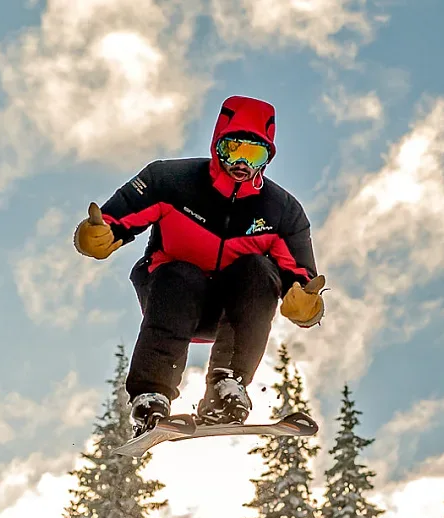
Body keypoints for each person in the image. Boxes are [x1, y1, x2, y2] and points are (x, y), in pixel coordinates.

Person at [72, 95, 326, 435]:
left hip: (230, 313)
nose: (241, 162)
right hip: (170, 296)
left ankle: (227, 386)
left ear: (267, 159)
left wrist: (305, 305)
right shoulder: (171, 181)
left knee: (257, 269)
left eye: (254, 154)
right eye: (233, 149)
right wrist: (97, 235)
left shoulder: (282, 213)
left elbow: (301, 277)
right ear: (217, 144)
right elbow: (114, 220)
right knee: (182, 273)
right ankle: (152, 394)